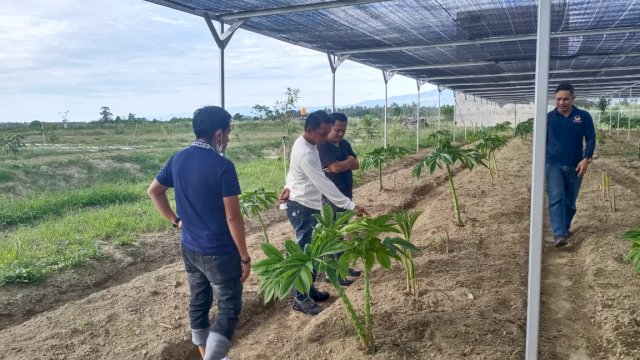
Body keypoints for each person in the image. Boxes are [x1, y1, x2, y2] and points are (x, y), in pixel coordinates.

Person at [147, 106, 250, 360]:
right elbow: (233, 216)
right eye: (227, 133)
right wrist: (244, 256)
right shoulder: (223, 166)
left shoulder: (178, 158)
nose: (228, 138)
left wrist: (175, 221)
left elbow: (154, 191)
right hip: (219, 254)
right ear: (218, 134)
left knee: (199, 302)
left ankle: (206, 354)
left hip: (190, 249)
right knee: (228, 307)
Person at [278, 110, 367, 316]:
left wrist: (288, 185)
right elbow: (324, 184)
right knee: (303, 255)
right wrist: (351, 206)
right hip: (301, 207)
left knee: (313, 251)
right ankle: (300, 298)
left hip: (307, 203)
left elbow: (293, 172)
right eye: (323, 132)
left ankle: (308, 290)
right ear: (309, 130)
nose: (326, 136)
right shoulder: (306, 152)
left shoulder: (307, 143)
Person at [546, 83, 596, 247]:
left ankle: (565, 228)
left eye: (565, 99)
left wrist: (586, 158)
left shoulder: (583, 116)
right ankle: (559, 234)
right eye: (558, 99)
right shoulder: (548, 118)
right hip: (553, 164)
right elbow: (541, 142)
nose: (561, 102)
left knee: (570, 201)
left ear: (573, 98)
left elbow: (590, 138)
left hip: (576, 164)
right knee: (556, 198)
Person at [317, 112, 362, 286]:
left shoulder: (344, 144)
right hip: (331, 199)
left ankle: (342, 267)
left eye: (343, 130)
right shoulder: (323, 147)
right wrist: (348, 161)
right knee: (335, 235)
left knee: (342, 232)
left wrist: (348, 162)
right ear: (329, 128)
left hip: (346, 196)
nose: (340, 134)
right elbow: (334, 168)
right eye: (337, 130)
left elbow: (357, 164)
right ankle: (334, 273)